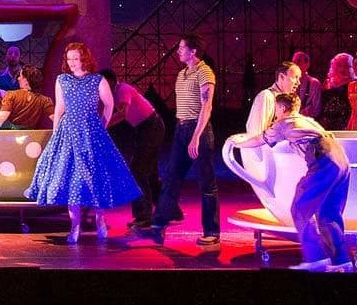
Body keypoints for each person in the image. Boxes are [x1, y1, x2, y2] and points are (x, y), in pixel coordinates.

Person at [26, 43, 140, 244]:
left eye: (75, 59)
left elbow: (109, 104)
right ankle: (75, 226)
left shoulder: (97, 80)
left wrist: (102, 125)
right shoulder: (62, 80)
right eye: (68, 59)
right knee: (71, 179)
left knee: (96, 177)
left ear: (84, 59)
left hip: (91, 132)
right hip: (68, 132)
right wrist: (56, 133)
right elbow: (59, 108)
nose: (71, 63)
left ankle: (100, 220)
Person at [229, 94, 353, 272]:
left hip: (324, 160)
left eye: (276, 109)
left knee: (300, 208)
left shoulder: (283, 123)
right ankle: (341, 262)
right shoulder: (307, 121)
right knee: (329, 213)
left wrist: (238, 143)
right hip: (341, 160)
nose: (275, 113)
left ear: (281, 108)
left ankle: (317, 258)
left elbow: (259, 140)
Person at [147, 33, 219, 248]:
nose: (178, 51)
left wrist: (196, 137)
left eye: (182, 47)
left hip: (199, 130)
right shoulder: (182, 73)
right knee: (171, 177)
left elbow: (207, 106)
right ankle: (159, 223)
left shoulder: (204, 72)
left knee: (206, 182)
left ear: (193, 51)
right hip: (181, 129)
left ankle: (212, 231)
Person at [100, 69, 165, 231]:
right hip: (146, 128)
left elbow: (122, 114)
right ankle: (169, 210)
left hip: (151, 127)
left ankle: (144, 216)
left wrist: (103, 126)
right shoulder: (112, 94)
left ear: (111, 81)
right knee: (149, 172)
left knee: (137, 171)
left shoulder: (122, 89)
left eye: (103, 83)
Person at [0, 65, 53, 130]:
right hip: (30, 138)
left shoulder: (11, 95)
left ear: (26, 81)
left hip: (10, 137)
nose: (18, 78)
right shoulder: (45, 100)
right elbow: (55, 117)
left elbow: (2, 117)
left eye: (21, 76)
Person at [245, 61, 302, 136]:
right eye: (295, 77)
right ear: (281, 77)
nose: (298, 82)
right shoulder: (266, 96)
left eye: (299, 78)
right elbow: (256, 132)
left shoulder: (293, 101)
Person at [318, 53, 355, 131]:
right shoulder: (327, 83)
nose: (342, 69)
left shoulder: (355, 84)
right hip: (328, 124)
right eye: (339, 65)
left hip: (347, 125)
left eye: (346, 66)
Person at [293, 50, 322, 118]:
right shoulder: (289, 82)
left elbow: (316, 109)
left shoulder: (314, 83)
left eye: (299, 61)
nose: (295, 64)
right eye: (294, 62)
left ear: (307, 64)